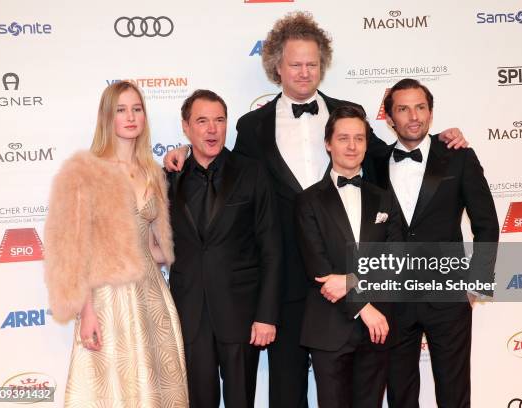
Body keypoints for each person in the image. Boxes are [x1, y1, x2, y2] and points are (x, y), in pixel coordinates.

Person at [164, 12, 468, 407]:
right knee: (287, 393)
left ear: (322, 65)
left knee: (359, 393)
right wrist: (184, 153)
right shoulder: (252, 126)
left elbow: (393, 158)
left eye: (312, 64)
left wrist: (438, 143)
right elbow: (226, 174)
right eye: (295, 64)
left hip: (350, 281)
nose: (304, 72)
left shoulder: (349, 114)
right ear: (277, 66)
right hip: (285, 283)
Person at [43, 81, 188, 407]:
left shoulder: (151, 170)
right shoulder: (84, 172)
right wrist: (87, 311)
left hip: (151, 296)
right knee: (113, 391)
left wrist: (187, 149)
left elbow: (155, 243)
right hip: (107, 299)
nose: (131, 117)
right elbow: (73, 250)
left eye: (137, 109)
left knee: (157, 390)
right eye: (121, 110)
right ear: (107, 117)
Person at [370, 78, 499, 408]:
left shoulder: (458, 157)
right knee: (400, 393)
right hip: (393, 298)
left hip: (448, 295)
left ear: (430, 112)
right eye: (403, 108)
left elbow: (486, 224)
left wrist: (478, 280)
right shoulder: (372, 163)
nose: (413, 116)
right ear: (388, 116)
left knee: (454, 394)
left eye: (420, 107)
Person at [166, 89, 282, 408]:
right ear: (186, 127)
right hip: (190, 313)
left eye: (219, 120)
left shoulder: (252, 172)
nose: (212, 129)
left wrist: (266, 315)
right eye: (202, 121)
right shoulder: (168, 178)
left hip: (241, 313)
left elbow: (271, 247)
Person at [295, 105, 402, 408]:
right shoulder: (307, 201)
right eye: (343, 138)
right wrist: (363, 307)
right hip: (330, 327)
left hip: (377, 328)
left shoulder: (383, 198)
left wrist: (355, 285)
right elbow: (320, 270)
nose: (352, 146)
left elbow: (395, 260)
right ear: (328, 143)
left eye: (359, 138)